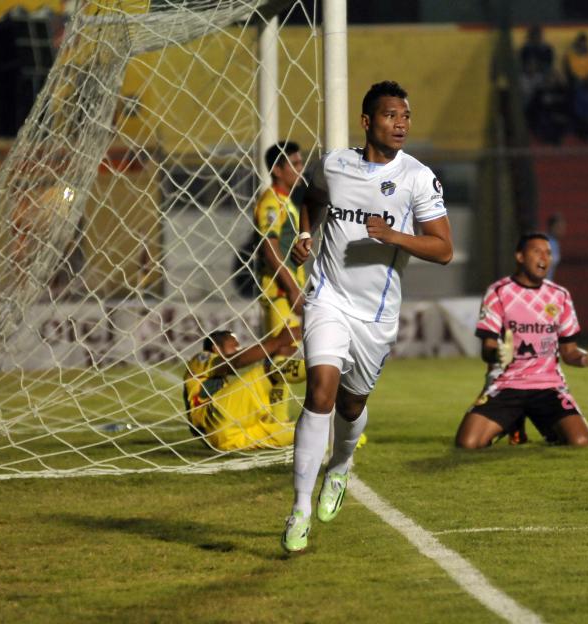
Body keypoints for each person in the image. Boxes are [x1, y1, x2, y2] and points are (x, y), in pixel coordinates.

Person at [280, 80, 453, 553]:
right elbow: (312, 197)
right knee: (320, 390)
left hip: (375, 317)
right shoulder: (335, 164)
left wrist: (395, 237)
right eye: (391, 115)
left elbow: (443, 249)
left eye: (406, 116)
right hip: (328, 298)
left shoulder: (417, 177)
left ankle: (339, 467)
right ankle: (298, 509)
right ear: (366, 121)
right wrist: (307, 232)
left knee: (351, 407)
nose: (401, 124)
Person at [454, 232, 588, 450]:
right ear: (520, 257)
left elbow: (569, 352)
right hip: (507, 385)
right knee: (468, 443)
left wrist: (587, 359)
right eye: (537, 251)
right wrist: (499, 355)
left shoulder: (560, 296)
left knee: (581, 441)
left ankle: (537, 425)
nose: (544, 257)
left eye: (548, 253)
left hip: (548, 386)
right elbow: (488, 348)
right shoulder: (499, 292)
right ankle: (511, 422)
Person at [183, 326, 302, 452]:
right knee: (271, 371)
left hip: (227, 440)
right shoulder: (200, 359)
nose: (238, 350)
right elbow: (235, 361)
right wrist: (278, 341)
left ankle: (287, 423)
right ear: (216, 348)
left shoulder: (221, 381)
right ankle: (320, 372)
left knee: (297, 433)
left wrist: (281, 350)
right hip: (213, 418)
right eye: (234, 346)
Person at [254, 141, 306, 424]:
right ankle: (276, 420)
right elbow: (270, 248)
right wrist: (293, 289)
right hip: (279, 291)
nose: (300, 169)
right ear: (277, 169)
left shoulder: (286, 201)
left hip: (286, 290)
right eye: (295, 164)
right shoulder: (272, 201)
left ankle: (276, 418)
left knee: (282, 353)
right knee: (281, 355)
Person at [545, 213, 565, 281]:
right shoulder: (547, 243)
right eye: (558, 227)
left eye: (562, 227)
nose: (561, 230)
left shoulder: (555, 243)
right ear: (552, 227)